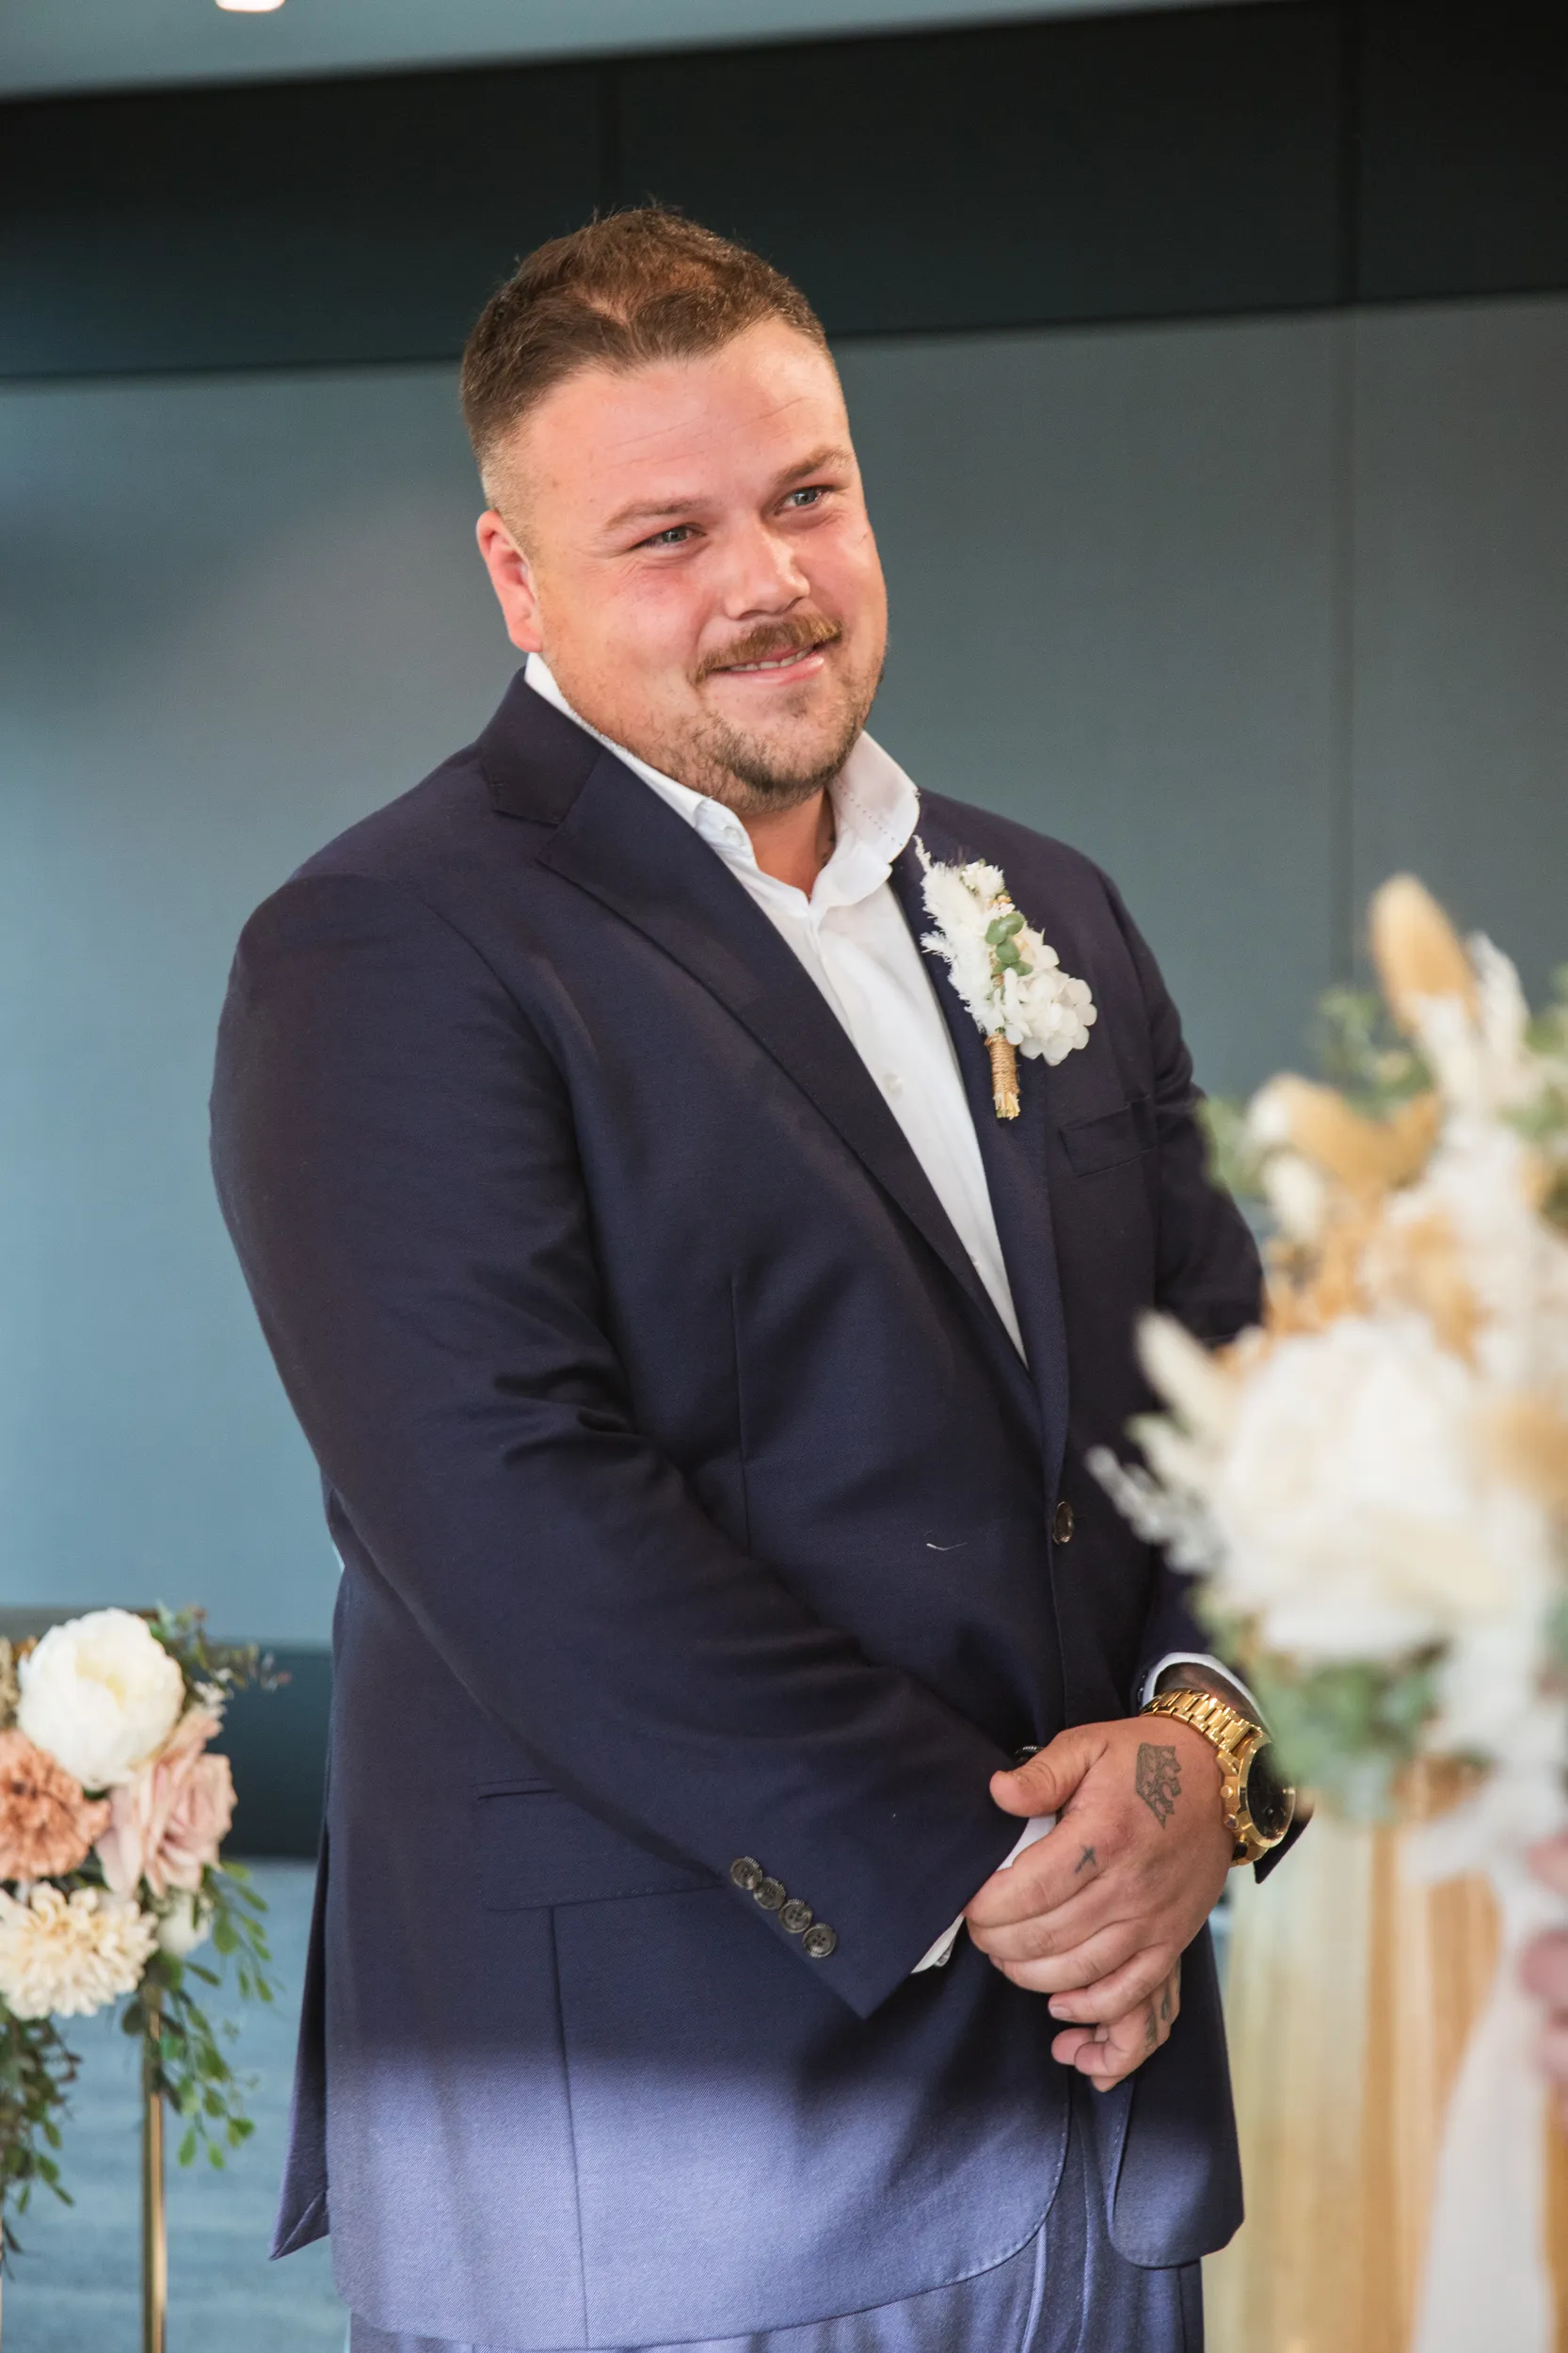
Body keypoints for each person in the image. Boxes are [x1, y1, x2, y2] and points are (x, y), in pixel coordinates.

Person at [211, 209, 1295, 2353]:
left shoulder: (1042, 900)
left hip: (1098, 2092)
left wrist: (1204, 1744)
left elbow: (1228, 1387)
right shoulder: (383, 948)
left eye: (805, 495)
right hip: (663, 2146)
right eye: (666, 533)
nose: (764, 581)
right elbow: (508, 1513)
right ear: (517, 578)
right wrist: (990, 1866)